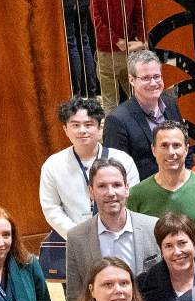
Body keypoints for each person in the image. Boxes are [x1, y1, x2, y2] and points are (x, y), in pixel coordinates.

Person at [40, 96, 139, 242]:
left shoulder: (122, 160)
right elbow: (51, 208)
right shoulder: (53, 164)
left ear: (99, 128)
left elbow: (131, 200)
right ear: (65, 129)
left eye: (88, 124)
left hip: (119, 236)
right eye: (75, 125)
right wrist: (77, 236)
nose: (82, 130)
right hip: (75, 240)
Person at [64, 158, 160, 301]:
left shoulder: (153, 227)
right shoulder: (77, 238)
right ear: (91, 191)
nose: (110, 193)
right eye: (102, 186)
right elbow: (75, 299)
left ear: (126, 189)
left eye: (117, 185)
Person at [103, 49, 184, 180]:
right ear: (132, 80)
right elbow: (116, 171)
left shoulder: (171, 104)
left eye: (157, 76)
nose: (153, 83)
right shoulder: (117, 120)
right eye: (146, 78)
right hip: (144, 193)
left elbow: (185, 146)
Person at [128, 121, 195, 226]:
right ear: (153, 149)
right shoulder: (136, 195)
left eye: (176, 145)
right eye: (164, 145)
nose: (171, 152)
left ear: (186, 149)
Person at [141, 213, 195, 301]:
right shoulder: (141, 286)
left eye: (182, 243)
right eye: (168, 246)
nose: (177, 252)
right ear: (160, 249)